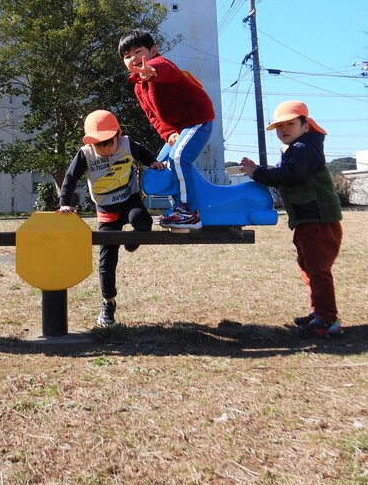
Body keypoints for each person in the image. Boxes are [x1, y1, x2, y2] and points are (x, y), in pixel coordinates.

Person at [239, 100, 345, 338]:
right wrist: (260, 170)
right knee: (308, 265)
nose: (284, 129)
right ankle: (319, 312)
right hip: (306, 218)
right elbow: (284, 173)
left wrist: (257, 172)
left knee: (317, 268)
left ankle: (328, 319)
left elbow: (290, 175)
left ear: (305, 126)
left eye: (290, 124)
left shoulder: (304, 149)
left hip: (318, 218)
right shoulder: (296, 149)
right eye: (279, 126)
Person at [58, 110, 165, 328]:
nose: (105, 149)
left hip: (129, 200)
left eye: (109, 142)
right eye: (99, 145)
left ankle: (132, 240)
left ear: (118, 134)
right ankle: (108, 304)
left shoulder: (126, 143)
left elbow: (143, 152)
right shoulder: (85, 154)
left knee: (143, 222)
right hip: (106, 209)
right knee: (107, 259)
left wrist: (152, 161)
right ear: (90, 143)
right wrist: (64, 203)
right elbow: (70, 178)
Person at [118, 29, 215, 230]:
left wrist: (151, 72)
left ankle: (189, 211)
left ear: (153, 51)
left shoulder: (161, 64)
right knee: (160, 163)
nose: (134, 58)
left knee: (179, 158)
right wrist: (168, 134)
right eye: (128, 56)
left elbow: (164, 70)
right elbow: (153, 117)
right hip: (179, 128)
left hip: (197, 118)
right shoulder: (138, 88)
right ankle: (176, 208)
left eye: (138, 51)